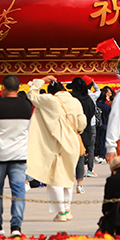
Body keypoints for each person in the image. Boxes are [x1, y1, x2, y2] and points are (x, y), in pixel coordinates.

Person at [26, 76, 86, 222]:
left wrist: (41, 80)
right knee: (68, 176)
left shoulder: (50, 100)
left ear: (51, 92)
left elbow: (31, 94)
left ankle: (61, 212)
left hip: (56, 143)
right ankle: (67, 209)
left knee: (55, 178)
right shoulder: (75, 101)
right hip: (73, 142)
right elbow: (82, 123)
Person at [0, 74, 34, 237]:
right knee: (18, 191)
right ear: (19, 88)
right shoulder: (27, 106)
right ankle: (16, 226)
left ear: (3, 88)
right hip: (19, 156)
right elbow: (29, 128)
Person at [68, 78, 99, 191]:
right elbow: (91, 114)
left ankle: (67, 181)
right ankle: (79, 184)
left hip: (70, 130)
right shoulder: (89, 100)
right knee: (80, 158)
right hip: (85, 131)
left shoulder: (71, 99)